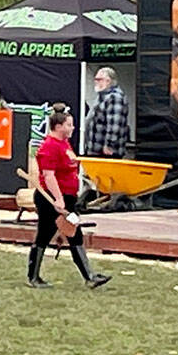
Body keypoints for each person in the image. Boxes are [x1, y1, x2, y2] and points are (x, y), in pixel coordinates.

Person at [28, 106, 111, 290]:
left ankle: (89, 276)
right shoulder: (49, 147)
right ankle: (34, 277)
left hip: (68, 196)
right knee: (49, 234)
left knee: (71, 233)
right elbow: (49, 176)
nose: (72, 128)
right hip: (52, 198)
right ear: (58, 126)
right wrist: (58, 200)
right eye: (69, 125)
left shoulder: (64, 143)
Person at [86, 66, 130, 158]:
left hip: (107, 152)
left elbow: (114, 125)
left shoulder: (114, 97)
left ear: (108, 81)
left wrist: (110, 145)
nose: (96, 82)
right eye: (95, 79)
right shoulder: (102, 96)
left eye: (99, 79)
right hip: (97, 150)